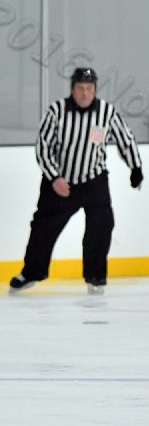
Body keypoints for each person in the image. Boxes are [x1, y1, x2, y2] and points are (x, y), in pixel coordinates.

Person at [9, 67, 143, 295]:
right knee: (43, 229)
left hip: (94, 181)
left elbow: (125, 139)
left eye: (89, 88)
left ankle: (96, 276)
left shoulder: (106, 113)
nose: (85, 93)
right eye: (80, 88)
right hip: (61, 183)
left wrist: (135, 167)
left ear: (95, 90)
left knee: (101, 227)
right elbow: (43, 147)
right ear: (72, 89)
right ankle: (31, 273)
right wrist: (54, 177)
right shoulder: (56, 111)